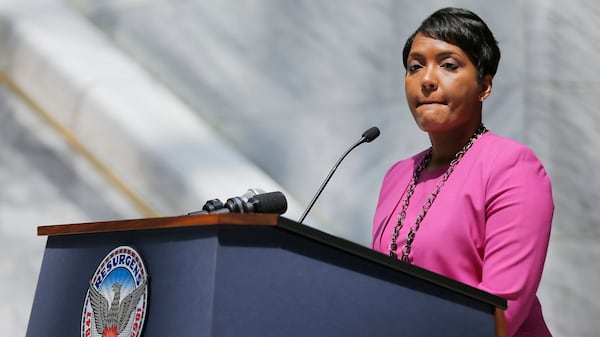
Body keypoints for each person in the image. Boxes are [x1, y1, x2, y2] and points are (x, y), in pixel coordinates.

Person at [371, 7, 553, 337]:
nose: (426, 80)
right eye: (415, 67)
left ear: (485, 86)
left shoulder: (512, 167)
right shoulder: (397, 176)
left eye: (449, 65)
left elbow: (501, 310)